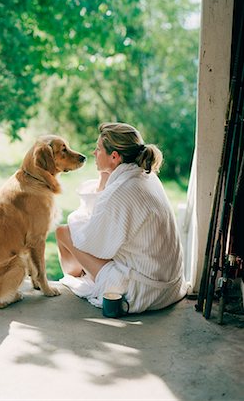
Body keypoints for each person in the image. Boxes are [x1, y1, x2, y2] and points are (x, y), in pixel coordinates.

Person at [56, 122, 188, 312]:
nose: (94, 153)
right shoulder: (146, 175)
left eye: (98, 149)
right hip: (170, 285)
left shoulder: (120, 192)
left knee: (64, 232)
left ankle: (77, 276)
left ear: (115, 156)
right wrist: (104, 174)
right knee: (78, 233)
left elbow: (92, 244)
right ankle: (83, 274)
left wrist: (78, 218)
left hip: (143, 291)